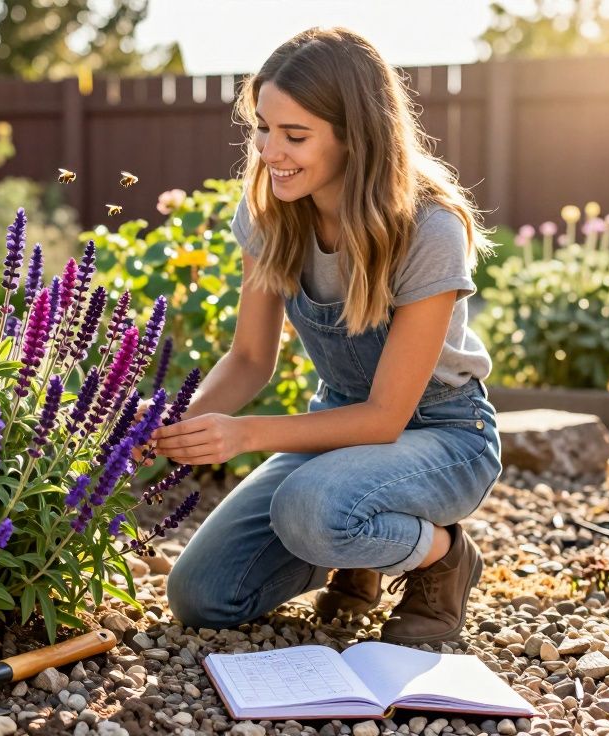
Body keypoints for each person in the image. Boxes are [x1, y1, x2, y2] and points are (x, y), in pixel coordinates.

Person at [146, 27, 502, 645]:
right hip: (338, 431)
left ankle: (441, 557)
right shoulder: (270, 211)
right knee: (202, 596)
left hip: (445, 437)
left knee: (309, 507)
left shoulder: (427, 227)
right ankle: (358, 542)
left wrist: (246, 434)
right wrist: (164, 432)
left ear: (354, 136)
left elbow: (387, 418)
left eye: (294, 135)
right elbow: (252, 360)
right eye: (262, 127)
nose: (268, 151)